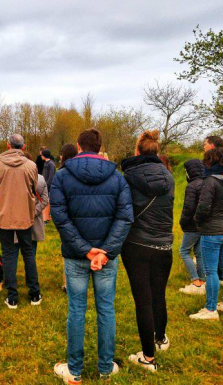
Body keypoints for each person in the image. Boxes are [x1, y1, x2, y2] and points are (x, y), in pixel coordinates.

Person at [51, 128, 133, 382]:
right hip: (98, 255)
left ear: (78, 146)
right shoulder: (117, 177)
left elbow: (60, 218)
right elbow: (125, 217)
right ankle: (105, 368)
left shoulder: (62, 176)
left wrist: (92, 251)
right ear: (99, 147)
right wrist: (99, 250)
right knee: (105, 309)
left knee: (77, 310)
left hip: (83, 256)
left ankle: (74, 371)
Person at [120, 130, 175, 373]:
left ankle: (149, 357)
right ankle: (160, 338)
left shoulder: (128, 176)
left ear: (138, 151)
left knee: (143, 300)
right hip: (164, 244)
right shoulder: (168, 176)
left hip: (137, 244)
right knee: (158, 294)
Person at [189, 148, 223, 320]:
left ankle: (211, 309)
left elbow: (203, 207)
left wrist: (197, 220)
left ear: (209, 162)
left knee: (211, 271)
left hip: (212, 232)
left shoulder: (210, 181)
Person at [0, 134, 41, 309]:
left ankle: (12, 297)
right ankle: (34, 294)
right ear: (23, 147)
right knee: (28, 253)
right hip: (24, 216)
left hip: (4, 215)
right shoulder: (31, 166)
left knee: (9, 254)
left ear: (8, 145)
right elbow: (35, 188)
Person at [178, 159, 206, 295]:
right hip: (203, 225)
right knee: (199, 253)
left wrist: (183, 222)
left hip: (192, 225)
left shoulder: (192, 186)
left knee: (183, 251)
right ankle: (203, 281)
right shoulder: (207, 183)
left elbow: (188, 208)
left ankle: (195, 281)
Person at [18, 152, 49, 257]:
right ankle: (31, 270)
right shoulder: (40, 178)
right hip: (34, 217)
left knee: (14, 248)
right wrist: (33, 212)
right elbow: (44, 200)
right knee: (32, 249)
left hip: (17, 218)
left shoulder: (14, 178)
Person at [59, 143, 78, 293]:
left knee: (68, 250)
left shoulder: (62, 173)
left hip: (68, 217)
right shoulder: (80, 170)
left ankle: (67, 283)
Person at [41, 149, 56, 223]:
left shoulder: (51, 164)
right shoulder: (46, 163)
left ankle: (46, 219)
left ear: (44, 155)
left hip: (48, 186)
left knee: (47, 202)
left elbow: (51, 176)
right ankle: (46, 217)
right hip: (45, 185)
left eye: (42, 155)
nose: (41, 156)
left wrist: (46, 185)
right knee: (46, 202)